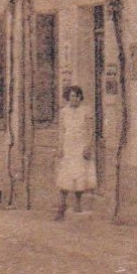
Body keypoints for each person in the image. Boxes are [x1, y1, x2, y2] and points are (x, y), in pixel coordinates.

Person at [54, 84, 95, 219]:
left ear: (80, 97)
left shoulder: (86, 111)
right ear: (68, 97)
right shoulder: (64, 112)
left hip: (81, 146)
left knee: (80, 175)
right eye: (72, 96)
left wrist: (88, 146)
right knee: (65, 176)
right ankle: (61, 207)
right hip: (68, 147)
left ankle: (77, 203)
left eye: (77, 96)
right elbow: (61, 131)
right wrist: (60, 147)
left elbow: (90, 130)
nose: (74, 99)